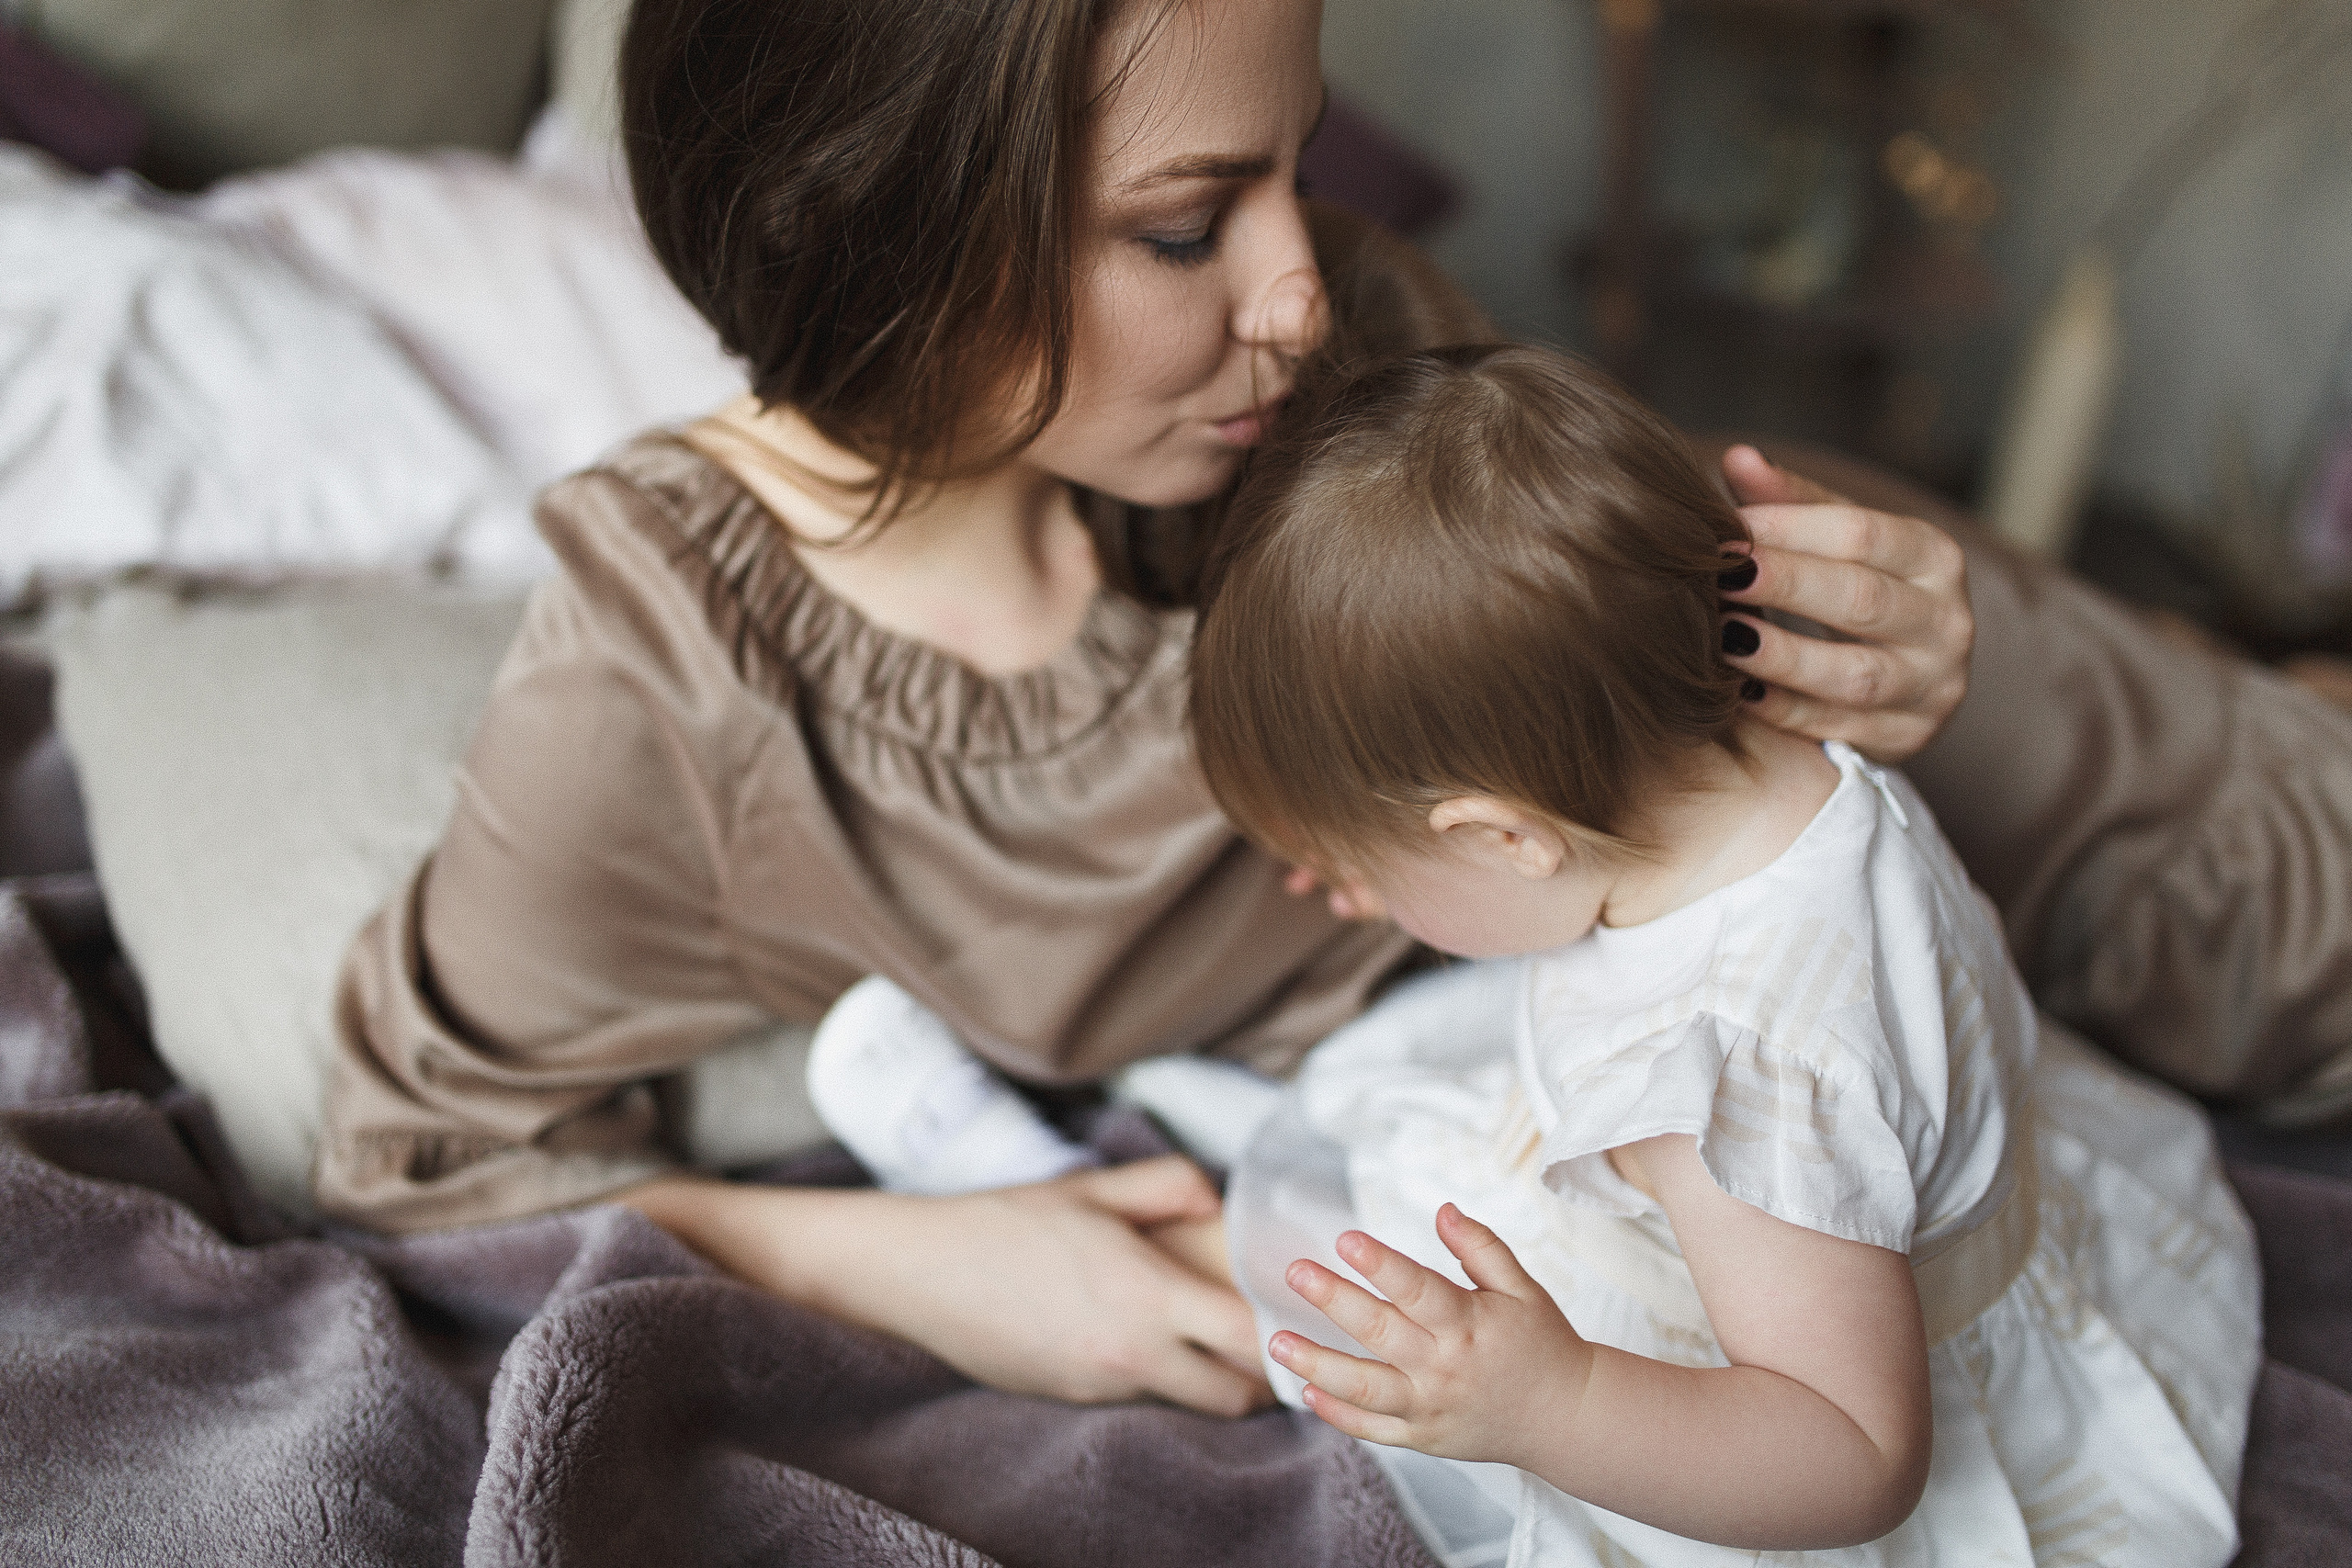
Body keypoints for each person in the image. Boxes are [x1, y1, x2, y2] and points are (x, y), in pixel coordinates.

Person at [313, 0, 2342, 1429]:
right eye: (1187, 224)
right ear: (887, 238)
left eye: (1293, 171)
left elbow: (1635, 648)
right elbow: (420, 1149)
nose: (1303, 284)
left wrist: (1905, 644)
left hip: (1916, 785)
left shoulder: (1323, 347)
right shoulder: (676, 689)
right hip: (1636, 1026)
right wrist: (918, 1260)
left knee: (2287, 918)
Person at [1184, 343, 2259, 1564]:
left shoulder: (1734, 1080)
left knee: (1382, 1311)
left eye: (1375, 878)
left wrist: (1554, 1401)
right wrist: (1389, 855)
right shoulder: (1791, 759)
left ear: (1503, 835)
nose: (1361, 901)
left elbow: (1856, 1453)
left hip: (1754, 1406)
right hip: (1845, 1237)